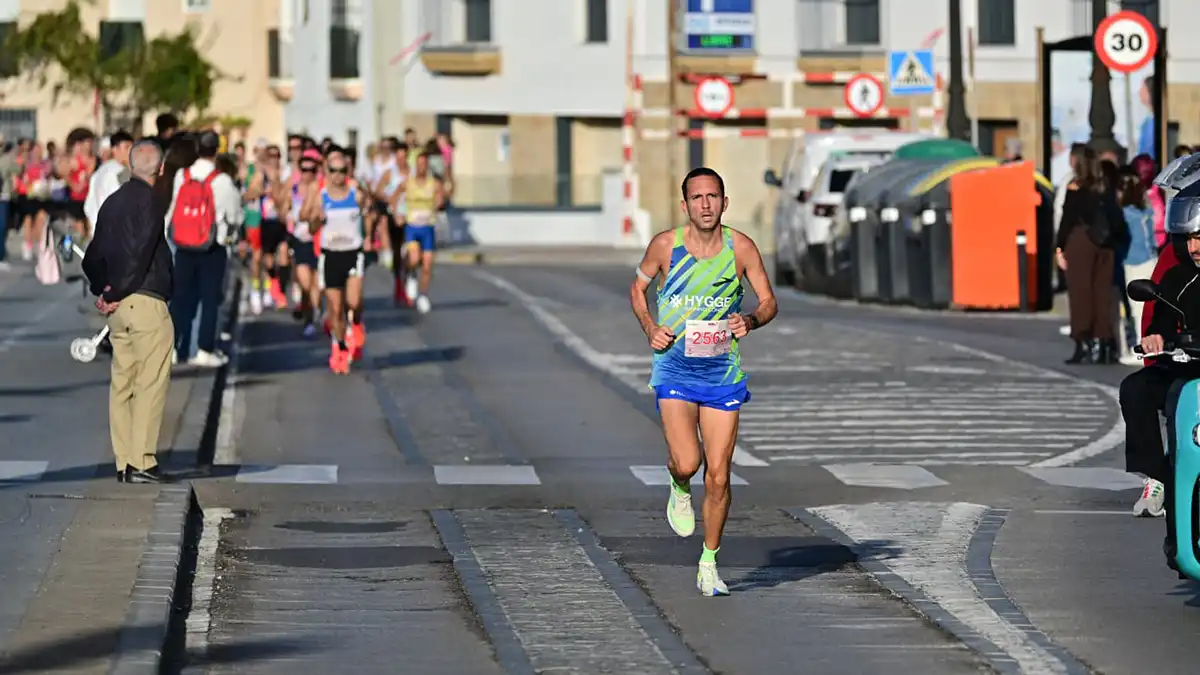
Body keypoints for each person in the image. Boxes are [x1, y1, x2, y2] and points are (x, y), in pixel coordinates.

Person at [629, 167, 778, 596]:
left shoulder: (741, 249)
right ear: (685, 205)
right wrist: (649, 327)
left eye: (713, 196)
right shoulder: (665, 246)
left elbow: (769, 302)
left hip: (721, 373)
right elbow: (637, 290)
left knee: (718, 477)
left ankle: (709, 561)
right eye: (698, 198)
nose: (706, 205)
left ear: (724, 203)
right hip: (674, 368)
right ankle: (677, 483)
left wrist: (751, 319)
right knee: (689, 464)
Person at [81, 140, 174, 484]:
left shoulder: (112, 201)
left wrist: (103, 291)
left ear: (132, 164)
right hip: (145, 300)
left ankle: (123, 461)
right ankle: (142, 460)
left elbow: (92, 256)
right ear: (160, 169)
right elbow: (142, 252)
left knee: (122, 382)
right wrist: (119, 289)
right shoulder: (151, 201)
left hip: (117, 309)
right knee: (150, 381)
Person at [166, 130, 243, 367]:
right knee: (210, 299)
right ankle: (204, 349)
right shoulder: (222, 181)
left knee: (180, 299)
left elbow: (174, 206)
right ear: (216, 151)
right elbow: (235, 216)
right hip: (212, 246)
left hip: (183, 244)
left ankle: (173, 348)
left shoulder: (182, 175)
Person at [1055, 148, 1127, 364]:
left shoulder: (1075, 188)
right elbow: (1117, 219)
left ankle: (1083, 342)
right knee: (1102, 294)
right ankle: (1105, 342)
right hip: (1105, 246)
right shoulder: (1105, 188)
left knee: (1080, 294)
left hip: (1081, 242)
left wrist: (1059, 248)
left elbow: (1067, 220)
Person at [301, 149, 367, 373]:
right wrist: (316, 221)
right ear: (327, 173)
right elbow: (310, 227)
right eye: (333, 171)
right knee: (335, 309)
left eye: (342, 171)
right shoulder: (321, 197)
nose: (338, 175)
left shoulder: (355, 193)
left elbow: (371, 212)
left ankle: (356, 324)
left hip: (352, 253)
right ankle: (339, 347)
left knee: (354, 302)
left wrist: (369, 237)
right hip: (330, 256)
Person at [1118, 168, 1159, 365]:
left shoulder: (1125, 214)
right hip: (1151, 260)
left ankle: (1142, 347)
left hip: (1132, 262)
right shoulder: (1146, 213)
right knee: (1150, 307)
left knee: (1136, 308)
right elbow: (1152, 240)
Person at [401, 152, 444, 314]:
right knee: (413, 258)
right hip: (412, 226)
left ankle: (423, 295)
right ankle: (410, 274)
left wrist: (439, 201)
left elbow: (441, 198)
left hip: (428, 227)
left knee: (427, 265)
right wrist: (397, 212)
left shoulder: (434, 184)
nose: (421, 167)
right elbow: (395, 197)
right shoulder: (408, 183)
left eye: (424, 164)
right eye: (419, 164)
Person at [84, 131, 134, 235]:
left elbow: (88, 207)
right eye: (127, 147)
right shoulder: (120, 173)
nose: (131, 151)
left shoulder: (99, 172)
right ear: (114, 149)